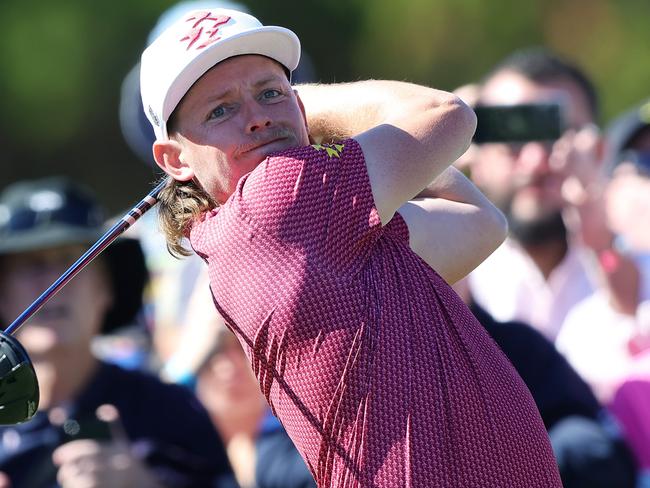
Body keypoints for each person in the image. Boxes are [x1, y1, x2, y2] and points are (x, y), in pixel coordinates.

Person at [140, 8, 562, 487]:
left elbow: (481, 223)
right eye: (221, 110)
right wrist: (301, 110)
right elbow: (446, 115)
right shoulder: (276, 198)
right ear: (175, 159)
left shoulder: (308, 232)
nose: (257, 118)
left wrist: (339, 146)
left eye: (270, 92)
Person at [0, 178, 236, 487]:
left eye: (70, 262)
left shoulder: (166, 410)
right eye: (31, 264)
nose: (52, 284)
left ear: (107, 288)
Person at [467, 47, 641, 342]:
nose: (536, 160)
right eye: (512, 135)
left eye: (556, 133)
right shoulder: (448, 276)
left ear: (598, 150)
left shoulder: (637, 263)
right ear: (476, 156)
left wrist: (602, 245)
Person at [452, 278, 638, 487]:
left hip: (549, 453)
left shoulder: (518, 343)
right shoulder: (414, 373)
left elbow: (573, 412)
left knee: (580, 447)